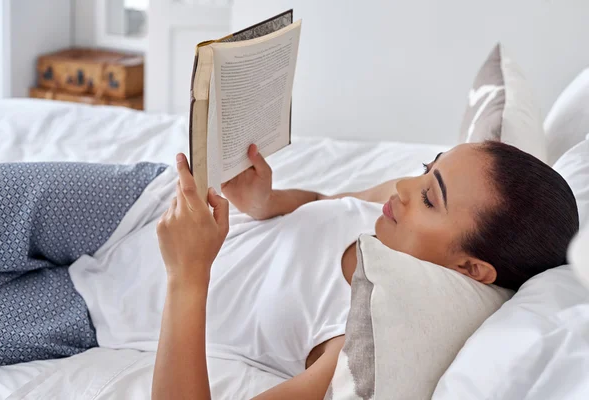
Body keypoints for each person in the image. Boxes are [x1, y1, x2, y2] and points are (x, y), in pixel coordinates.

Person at [152, 141, 579, 399]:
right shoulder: (389, 212)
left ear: (470, 267)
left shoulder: (359, 337)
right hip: (144, 197)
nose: (403, 187)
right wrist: (265, 201)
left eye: (430, 197)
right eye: (426, 169)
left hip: (99, 299)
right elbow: (324, 198)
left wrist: (186, 275)